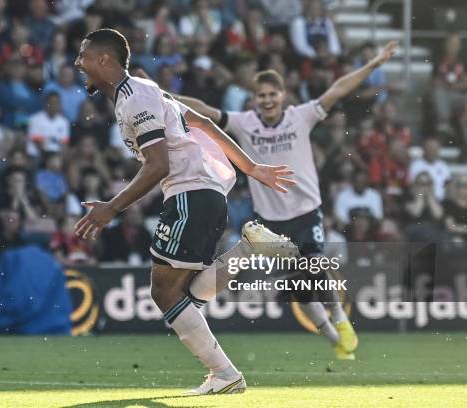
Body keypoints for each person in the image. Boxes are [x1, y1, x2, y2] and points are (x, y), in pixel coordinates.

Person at [74, 28, 296, 395]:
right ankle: (248, 253)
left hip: (188, 196)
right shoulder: (147, 91)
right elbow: (204, 124)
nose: (77, 63)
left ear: (103, 60)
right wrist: (251, 168)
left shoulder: (135, 98)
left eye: (83, 55)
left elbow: (158, 165)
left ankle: (225, 374)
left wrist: (112, 208)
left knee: (164, 292)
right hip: (205, 195)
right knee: (184, 294)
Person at [175, 40, 398, 360]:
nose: (267, 100)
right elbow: (204, 112)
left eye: (272, 94)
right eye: (261, 95)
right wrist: (160, 95)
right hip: (269, 219)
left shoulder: (301, 116)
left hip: (306, 211)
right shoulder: (244, 123)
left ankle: (339, 320)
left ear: (283, 96)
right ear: (255, 99)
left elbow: (338, 89)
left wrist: (373, 64)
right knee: (301, 286)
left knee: (315, 263)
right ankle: (335, 338)